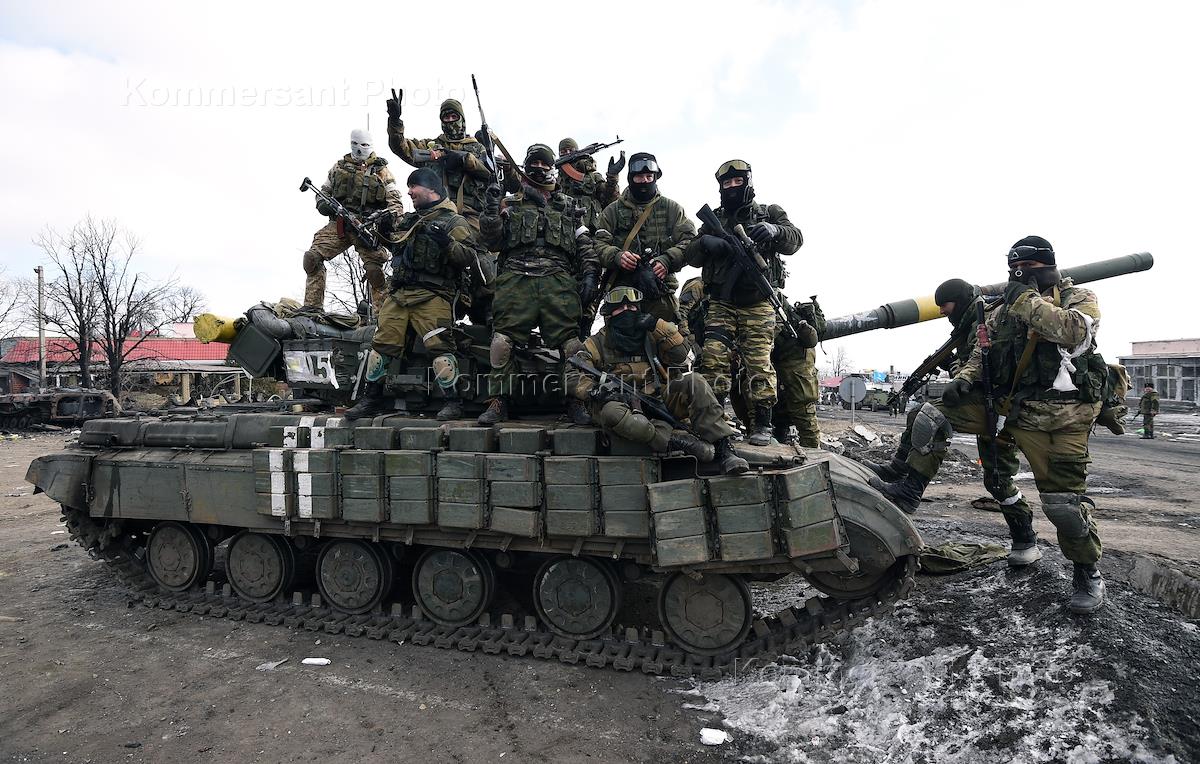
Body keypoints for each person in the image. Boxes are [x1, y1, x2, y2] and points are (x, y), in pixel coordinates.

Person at [871, 237, 1107, 614]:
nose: (1020, 275)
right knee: (934, 417)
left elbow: (1073, 332)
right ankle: (910, 491)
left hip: (1059, 417)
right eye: (1015, 269)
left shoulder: (1078, 298)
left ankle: (1087, 572)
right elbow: (983, 351)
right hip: (1007, 408)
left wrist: (1025, 299)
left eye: (1028, 268)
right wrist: (964, 379)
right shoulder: (1002, 310)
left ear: (1047, 265)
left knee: (1063, 506)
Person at [865, 278, 1026, 546]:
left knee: (998, 479)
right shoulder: (969, 324)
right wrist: (956, 369)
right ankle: (898, 471)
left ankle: (1025, 539)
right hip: (986, 402)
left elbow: (989, 366)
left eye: (945, 305)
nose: (941, 311)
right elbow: (973, 365)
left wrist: (960, 375)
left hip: (1001, 405)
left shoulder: (986, 320)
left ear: (960, 302)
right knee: (920, 414)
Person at [343, 168, 486, 421]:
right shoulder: (409, 220)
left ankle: (452, 401)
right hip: (399, 294)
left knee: (440, 348)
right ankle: (371, 399)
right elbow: (397, 249)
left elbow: (468, 257)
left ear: (431, 188)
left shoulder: (454, 221)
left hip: (433, 294)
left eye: (413, 186)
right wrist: (384, 233)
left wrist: (446, 243)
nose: (409, 192)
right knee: (381, 347)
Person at [567, 287, 748, 475]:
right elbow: (572, 374)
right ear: (609, 313)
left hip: (657, 399)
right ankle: (673, 443)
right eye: (620, 308)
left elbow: (681, 354)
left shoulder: (651, 335)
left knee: (695, 382)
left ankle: (724, 449)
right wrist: (595, 390)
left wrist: (657, 325)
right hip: (620, 403)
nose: (627, 311)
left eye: (631, 306)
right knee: (611, 413)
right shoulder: (595, 343)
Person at [685, 159, 802, 446]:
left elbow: (796, 239)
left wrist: (774, 230)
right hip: (721, 303)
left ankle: (763, 423)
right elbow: (691, 256)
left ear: (748, 183)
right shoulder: (714, 219)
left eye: (738, 182)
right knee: (713, 359)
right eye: (727, 183)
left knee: (759, 362)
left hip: (758, 303)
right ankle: (714, 420)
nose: (732, 187)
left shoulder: (769, 213)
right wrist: (705, 244)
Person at [477, 144, 592, 426]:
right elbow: (492, 241)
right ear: (525, 168)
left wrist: (590, 274)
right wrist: (491, 210)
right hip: (516, 279)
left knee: (572, 344)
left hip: (557, 280)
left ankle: (576, 399)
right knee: (502, 341)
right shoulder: (509, 203)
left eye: (544, 163)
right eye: (534, 163)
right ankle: (498, 401)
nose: (539, 168)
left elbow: (585, 245)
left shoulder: (569, 207)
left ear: (552, 168)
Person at [588, 153, 695, 326]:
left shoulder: (672, 209)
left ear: (655, 178)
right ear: (631, 178)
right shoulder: (612, 211)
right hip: (621, 295)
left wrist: (667, 260)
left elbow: (690, 241)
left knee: (670, 338)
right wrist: (617, 256)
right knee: (619, 338)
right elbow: (598, 244)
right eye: (639, 176)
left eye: (649, 176)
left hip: (660, 290)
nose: (644, 181)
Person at [301, 129, 400, 311]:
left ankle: (383, 315)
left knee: (374, 272)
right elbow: (324, 192)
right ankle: (312, 307)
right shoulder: (338, 168)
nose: (359, 149)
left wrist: (388, 221)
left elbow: (395, 203)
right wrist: (322, 204)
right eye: (355, 144)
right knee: (311, 258)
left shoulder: (382, 171)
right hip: (339, 224)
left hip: (367, 226)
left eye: (364, 145)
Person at [772, 299, 822, 447]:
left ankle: (814, 455)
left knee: (806, 424)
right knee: (782, 420)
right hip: (786, 377)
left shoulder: (783, 313)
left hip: (798, 379)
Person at [557, 138, 621, 231]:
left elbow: (609, 197)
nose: (567, 153)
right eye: (563, 152)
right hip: (564, 230)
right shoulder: (557, 181)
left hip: (591, 230)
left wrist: (612, 178)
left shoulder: (593, 177)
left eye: (571, 150)